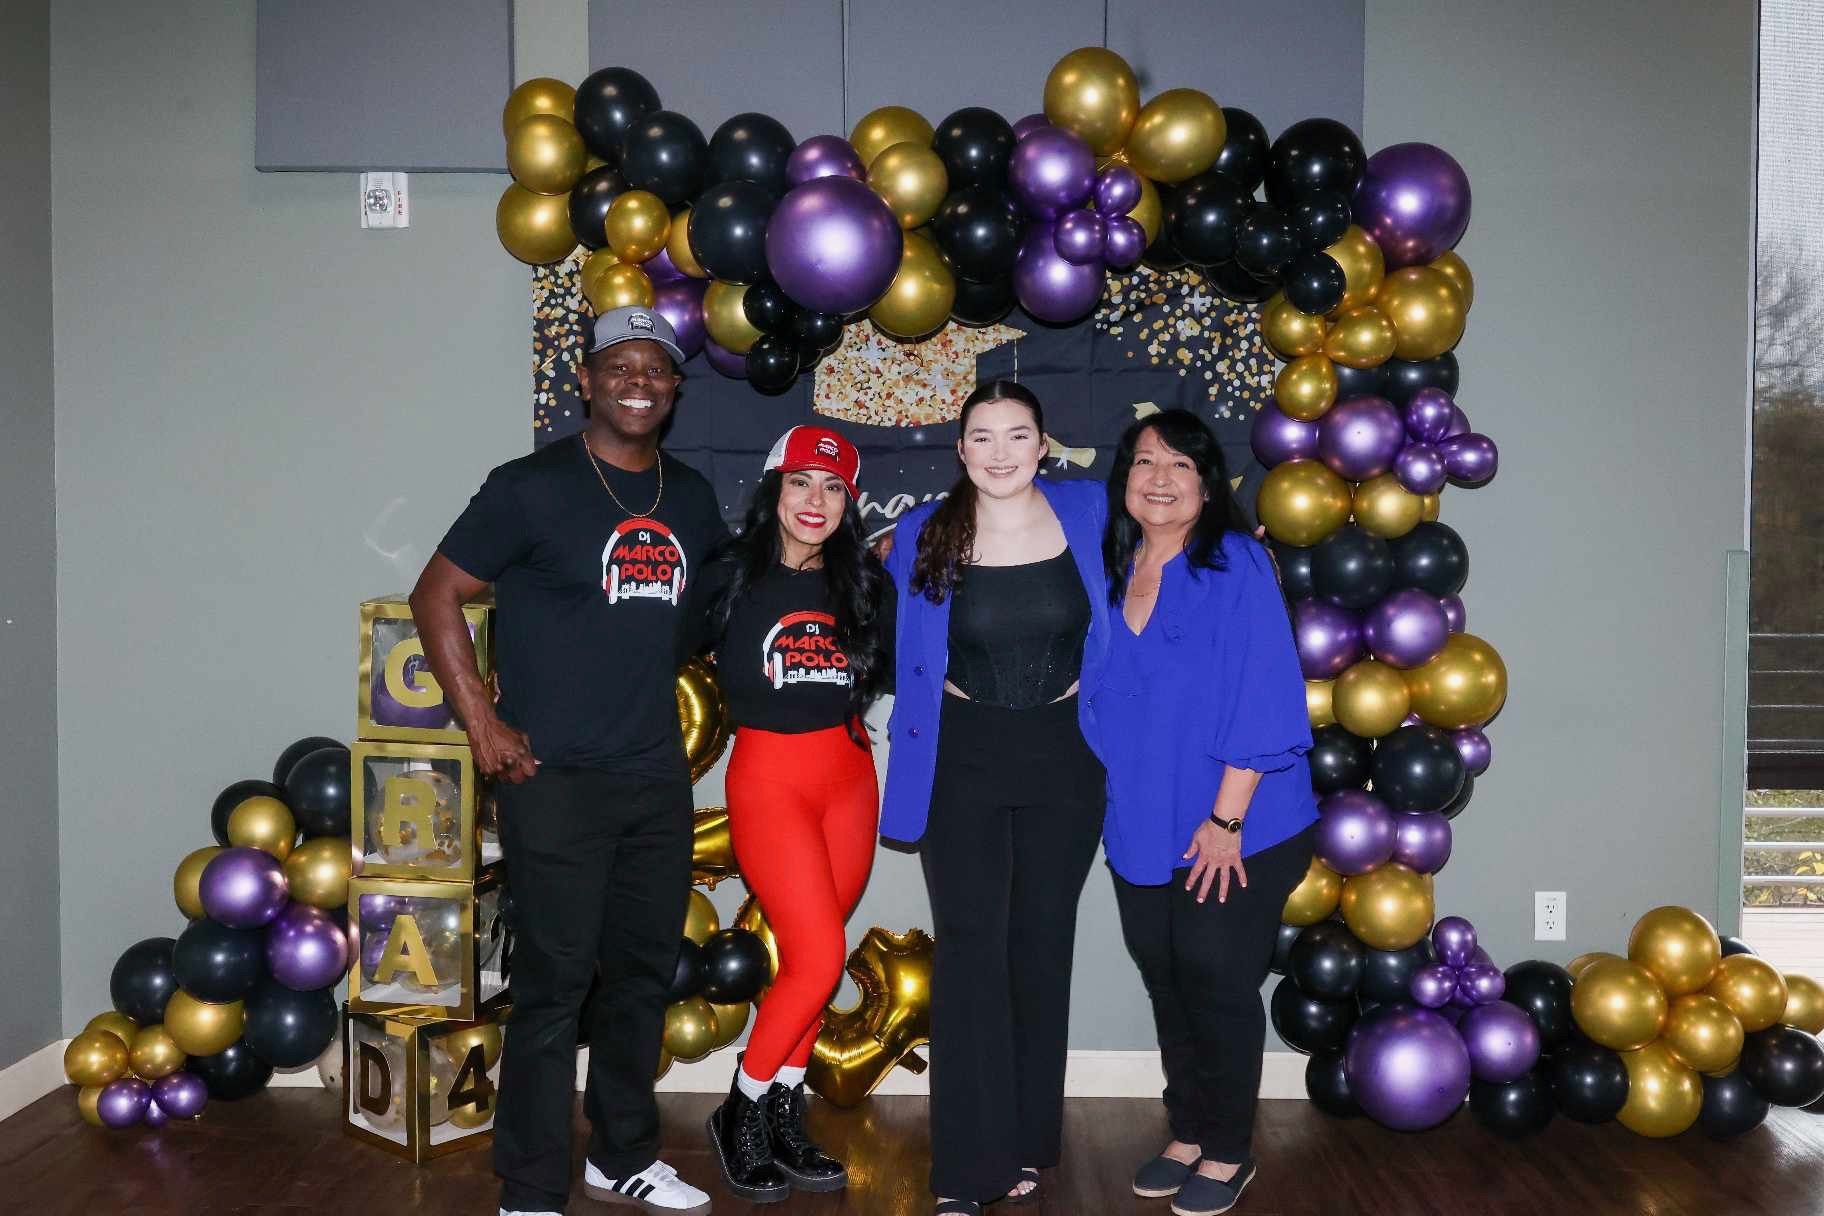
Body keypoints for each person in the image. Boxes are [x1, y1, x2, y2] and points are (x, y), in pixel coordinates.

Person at [409, 307, 726, 1216]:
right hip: (549, 780)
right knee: (552, 986)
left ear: (673, 390)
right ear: (584, 382)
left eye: (655, 369)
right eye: (618, 366)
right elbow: (438, 594)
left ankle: (622, 1152)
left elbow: (697, 624)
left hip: (655, 776)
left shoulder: (694, 498)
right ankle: (534, 1181)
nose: (637, 381)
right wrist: (483, 727)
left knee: (638, 976)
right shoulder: (528, 486)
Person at [879, 380, 1112, 1216]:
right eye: (984, 437)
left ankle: (1025, 1141)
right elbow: (887, 638)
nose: (1003, 452)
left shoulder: (1089, 512)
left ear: (1044, 444)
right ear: (961, 450)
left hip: (1066, 757)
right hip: (962, 757)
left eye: (1019, 435)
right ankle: (969, 1172)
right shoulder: (921, 532)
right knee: (973, 953)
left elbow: (1170, 555)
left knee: (1041, 948)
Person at [1095, 410, 1318, 1216]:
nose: (1160, 477)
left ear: (1207, 483)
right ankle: (1186, 1129)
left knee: (1216, 978)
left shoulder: (1236, 563)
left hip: (1240, 821)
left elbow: (1264, 695)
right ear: (1124, 482)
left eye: (1181, 465)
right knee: (1165, 976)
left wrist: (1225, 824)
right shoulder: (1111, 571)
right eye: (1145, 462)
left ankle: (1226, 1149)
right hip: (1142, 822)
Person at [684, 426, 894, 1202]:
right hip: (770, 778)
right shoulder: (729, 577)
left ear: (850, 502)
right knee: (815, 957)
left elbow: (919, 666)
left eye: (833, 488)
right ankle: (740, 1107)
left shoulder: (867, 586)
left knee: (817, 961)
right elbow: (649, 653)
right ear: (774, 489)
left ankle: (782, 1111)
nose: (816, 501)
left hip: (848, 777)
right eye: (801, 483)